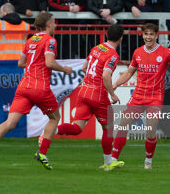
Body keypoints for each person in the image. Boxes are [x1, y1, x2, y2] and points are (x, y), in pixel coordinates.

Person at [0, 12, 73, 172]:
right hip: (40, 87)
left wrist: (34, 62)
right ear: (48, 25)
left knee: (10, 123)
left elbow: (21, 63)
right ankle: (42, 153)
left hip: (24, 86)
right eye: (54, 22)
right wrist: (64, 69)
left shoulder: (30, 40)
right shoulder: (50, 40)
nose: (56, 25)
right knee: (54, 117)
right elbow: (50, 63)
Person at [109, 23, 170, 170]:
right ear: (142, 35)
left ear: (156, 36)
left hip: (155, 97)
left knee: (150, 130)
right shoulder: (137, 52)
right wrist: (115, 84)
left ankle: (148, 161)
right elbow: (129, 72)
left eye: (151, 34)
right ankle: (113, 159)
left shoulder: (164, 52)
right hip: (138, 95)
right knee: (123, 124)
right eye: (146, 34)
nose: (148, 37)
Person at [52, 24, 123, 170]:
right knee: (108, 128)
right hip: (98, 93)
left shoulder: (96, 48)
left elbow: (85, 67)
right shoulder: (113, 55)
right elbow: (105, 75)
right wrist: (112, 94)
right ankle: (108, 163)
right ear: (121, 38)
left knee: (77, 127)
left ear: (107, 35)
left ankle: (50, 131)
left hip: (84, 91)